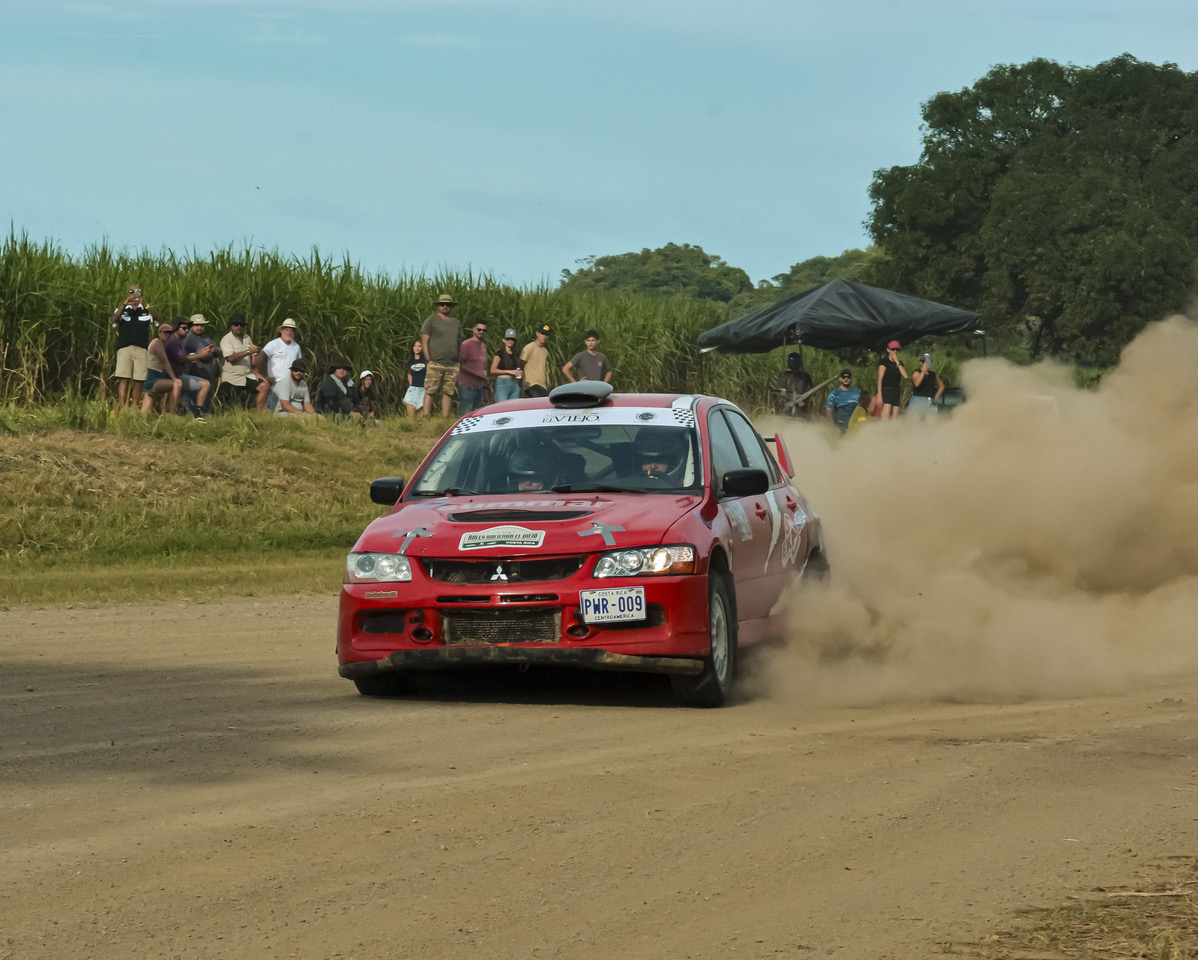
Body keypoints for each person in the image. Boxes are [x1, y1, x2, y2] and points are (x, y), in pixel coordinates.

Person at [110, 283, 159, 410]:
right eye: (131, 292)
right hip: (124, 348)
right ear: (127, 293)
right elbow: (113, 320)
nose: (134, 295)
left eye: (136, 292)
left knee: (139, 380)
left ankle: (134, 408)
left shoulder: (145, 310)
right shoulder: (122, 309)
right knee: (123, 378)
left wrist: (146, 304)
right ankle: (122, 408)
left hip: (142, 348)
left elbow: (158, 318)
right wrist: (125, 304)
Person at [420, 294, 463, 416]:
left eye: (448, 304)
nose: (445, 306)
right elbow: (424, 340)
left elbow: (459, 341)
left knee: (448, 392)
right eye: (442, 304)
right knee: (430, 391)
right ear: (438, 306)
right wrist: (429, 359)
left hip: (452, 364)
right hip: (435, 362)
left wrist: (458, 359)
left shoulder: (456, 323)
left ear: (451, 307)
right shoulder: (431, 320)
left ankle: (444, 418)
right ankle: (426, 416)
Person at [217, 314, 265, 410]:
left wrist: (256, 373)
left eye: (241, 325)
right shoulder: (226, 340)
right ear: (231, 326)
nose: (239, 327)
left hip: (247, 375)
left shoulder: (247, 338)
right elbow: (230, 358)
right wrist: (248, 352)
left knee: (264, 386)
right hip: (232, 377)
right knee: (231, 404)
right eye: (236, 324)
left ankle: (259, 416)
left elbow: (253, 357)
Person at [169, 317, 213, 419]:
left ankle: (184, 416)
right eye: (184, 328)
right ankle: (198, 414)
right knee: (205, 384)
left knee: (185, 403)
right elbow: (181, 358)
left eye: (187, 328)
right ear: (176, 328)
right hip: (177, 376)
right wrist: (199, 355)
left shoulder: (180, 341)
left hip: (182, 375)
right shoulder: (174, 342)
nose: (186, 330)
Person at [257, 318, 302, 413]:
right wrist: (265, 376)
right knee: (271, 411)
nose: (289, 332)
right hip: (276, 384)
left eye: (291, 330)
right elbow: (260, 358)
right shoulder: (274, 344)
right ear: (281, 330)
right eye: (287, 329)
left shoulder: (296, 347)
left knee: (288, 412)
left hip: (291, 385)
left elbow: (299, 364)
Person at [140, 321, 182, 415]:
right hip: (152, 378)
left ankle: (140, 422)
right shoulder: (157, 343)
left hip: (152, 377)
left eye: (170, 333)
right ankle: (172, 414)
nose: (167, 335)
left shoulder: (158, 343)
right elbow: (165, 362)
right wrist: (174, 378)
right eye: (165, 332)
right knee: (176, 385)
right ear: (159, 333)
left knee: (145, 412)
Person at [183, 314, 221, 413]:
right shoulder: (188, 339)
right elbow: (204, 356)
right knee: (193, 405)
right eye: (197, 325)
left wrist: (212, 350)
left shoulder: (206, 339)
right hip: (194, 376)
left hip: (206, 377)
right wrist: (209, 352)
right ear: (191, 326)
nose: (199, 327)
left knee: (204, 405)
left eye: (202, 325)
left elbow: (219, 351)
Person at [457, 318, 489, 414]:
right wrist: (477, 373)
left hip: (479, 387)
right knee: (465, 416)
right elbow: (460, 364)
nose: (481, 332)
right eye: (479, 329)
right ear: (474, 330)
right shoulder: (466, 344)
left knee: (477, 417)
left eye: (484, 330)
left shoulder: (483, 346)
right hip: (467, 386)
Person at [876, 340, 908, 420]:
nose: (895, 351)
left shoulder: (899, 363)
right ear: (888, 350)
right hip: (887, 389)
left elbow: (905, 376)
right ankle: (884, 427)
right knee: (887, 408)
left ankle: (893, 429)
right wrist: (879, 395)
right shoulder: (884, 362)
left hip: (896, 389)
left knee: (896, 412)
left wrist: (897, 361)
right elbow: (880, 379)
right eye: (893, 349)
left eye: (897, 350)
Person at [777, 352, 815, 417]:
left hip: (802, 408)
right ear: (788, 360)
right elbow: (779, 391)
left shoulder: (805, 376)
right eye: (791, 358)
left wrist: (803, 400)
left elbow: (811, 392)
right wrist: (793, 397)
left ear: (799, 361)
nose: (793, 361)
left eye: (796, 359)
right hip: (786, 408)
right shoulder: (783, 375)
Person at [908, 352, 945, 417]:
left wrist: (935, 398)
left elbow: (941, 386)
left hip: (930, 402)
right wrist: (923, 372)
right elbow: (917, 384)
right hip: (917, 401)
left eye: (929, 362)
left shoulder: (933, 374)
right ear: (921, 363)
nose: (927, 363)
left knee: (930, 423)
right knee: (915, 423)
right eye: (924, 362)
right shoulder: (916, 373)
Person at [824, 369, 862, 433]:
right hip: (840, 428)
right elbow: (828, 409)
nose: (846, 378)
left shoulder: (858, 392)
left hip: (856, 427)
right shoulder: (834, 394)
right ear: (840, 379)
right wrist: (832, 426)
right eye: (844, 377)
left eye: (848, 377)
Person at [490, 328, 522, 402]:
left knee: (514, 409)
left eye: (512, 339)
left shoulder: (516, 354)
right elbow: (493, 370)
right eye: (508, 339)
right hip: (502, 383)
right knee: (501, 409)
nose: (510, 341)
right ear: (504, 340)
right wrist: (509, 372)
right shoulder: (499, 354)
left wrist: (519, 373)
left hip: (514, 383)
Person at [520, 324, 551, 397]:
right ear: (537, 333)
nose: (544, 336)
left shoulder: (545, 351)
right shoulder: (529, 348)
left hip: (543, 386)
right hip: (531, 385)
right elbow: (521, 363)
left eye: (546, 334)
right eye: (542, 333)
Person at [403, 340, 426, 417]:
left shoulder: (426, 361)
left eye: (419, 346)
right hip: (413, 390)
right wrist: (411, 384)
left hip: (423, 390)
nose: (417, 348)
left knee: (422, 417)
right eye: (415, 346)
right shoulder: (410, 361)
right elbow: (409, 373)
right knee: (410, 417)